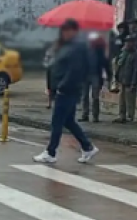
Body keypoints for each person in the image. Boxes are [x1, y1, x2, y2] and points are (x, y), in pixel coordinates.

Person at [34, 19, 99, 165]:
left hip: (68, 89)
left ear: (75, 31)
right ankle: (87, 147)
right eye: (63, 30)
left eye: (68, 30)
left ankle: (51, 152)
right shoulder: (64, 46)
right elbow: (55, 66)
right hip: (63, 88)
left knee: (57, 122)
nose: (65, 33)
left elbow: (74, 70)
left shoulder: (77, 47)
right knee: (68, 121)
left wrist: (63, 86)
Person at [114, 34, 137, 123]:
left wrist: (133, 83)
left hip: (130, 81)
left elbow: (136, 70)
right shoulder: (123, 53)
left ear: (134, 43)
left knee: (130, 100)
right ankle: (121, 115)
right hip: (122, 79)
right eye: (127, 42)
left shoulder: (136, 54)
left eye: (130, 42)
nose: (128, 44)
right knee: (121, 100)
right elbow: (118, 65)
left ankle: (130, 116)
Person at [81, 32, 108, 122]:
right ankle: (85, 114)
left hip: (96, 75)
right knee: (84, 96)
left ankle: (95, 116)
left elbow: (104, 63)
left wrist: (107, 75)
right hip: (85, 75)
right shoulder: (84, 51)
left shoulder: (99, 51)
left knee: (95, 97)